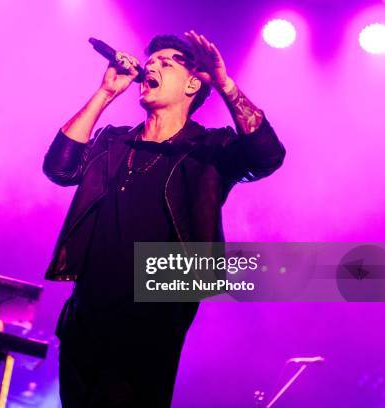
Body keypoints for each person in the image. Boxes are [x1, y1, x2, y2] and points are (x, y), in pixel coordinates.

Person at [42, 32, 286, 407]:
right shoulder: (114, 142)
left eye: (166, 63)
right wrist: (105, 93)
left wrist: (224, 84)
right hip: (84, 319)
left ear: (193, 83)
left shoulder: (210, 149)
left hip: (149, 323)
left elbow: (267, 156)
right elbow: (59, 168)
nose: (151, 65)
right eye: (150, 60)